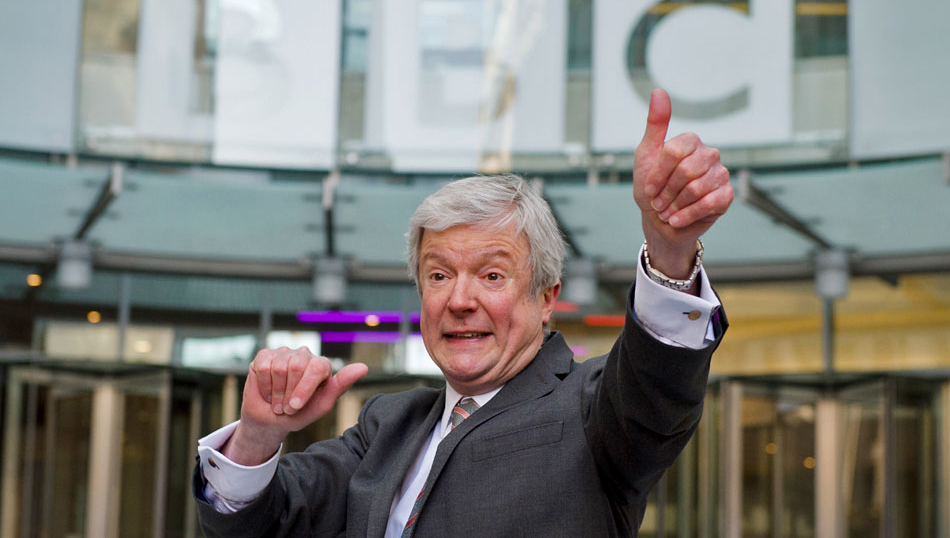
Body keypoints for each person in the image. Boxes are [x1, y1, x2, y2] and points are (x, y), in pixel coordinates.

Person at [193, 88, 734, 537]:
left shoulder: (593, 410)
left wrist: (669, 252)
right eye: (439, 275)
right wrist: (257, 435)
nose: (459, 300)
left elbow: (656, 386)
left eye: (492, 275)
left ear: (546, 298)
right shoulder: (387, 426)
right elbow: (262, 521)